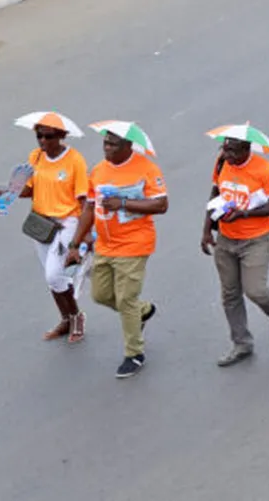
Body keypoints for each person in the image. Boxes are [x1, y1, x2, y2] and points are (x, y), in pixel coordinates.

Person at [0, 114, 94, 345]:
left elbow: (83, 199)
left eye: (48, 136)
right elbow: (28, 189)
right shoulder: (35, 157)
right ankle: (66, 319)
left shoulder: (74, 161)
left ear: (61, 136)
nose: (42, 141)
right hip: (41, 224)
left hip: (66, 223)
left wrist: (84, 234)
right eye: (39, 135)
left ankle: (77, 318)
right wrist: (6, 192)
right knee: (52, 278)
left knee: (53, 274)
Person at [201, 130, 269, 367]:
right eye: (225, 147)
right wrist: (206, 230)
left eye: (232, 150)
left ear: (246, 150)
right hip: (226, 238)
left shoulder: (265, 171)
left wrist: (245, 213)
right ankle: (241, 343)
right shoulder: (222, 163)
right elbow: (215, 193)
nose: (227, 153)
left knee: (255, 290)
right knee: (229, 294)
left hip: (256, 239)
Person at [88, 123, 168, 378]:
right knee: (100, 295)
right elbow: (89, 208)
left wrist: (122, 202)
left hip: (135, 242)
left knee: (125, 299)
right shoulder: (99, 171)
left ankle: (134, 354)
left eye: (113, 144)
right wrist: (75, 244)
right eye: (105, 143)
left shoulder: (146, 169)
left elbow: (161, 204)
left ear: (128, 146)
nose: (107, 148)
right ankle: (142, 311)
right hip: (104, 244)